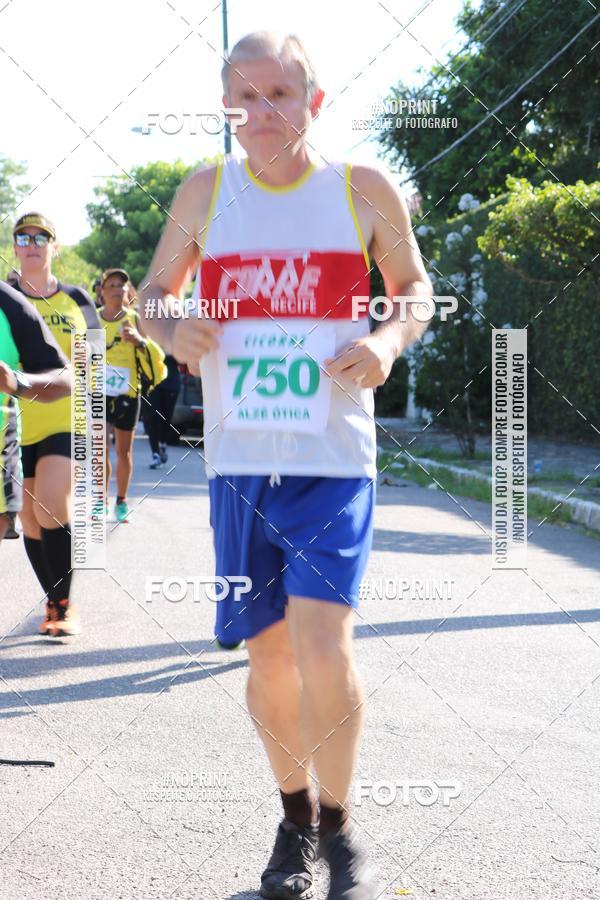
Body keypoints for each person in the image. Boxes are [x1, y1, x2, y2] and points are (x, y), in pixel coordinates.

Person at [141, 32, 431, 900]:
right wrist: (167, 326)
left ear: (315, 99)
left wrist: (387, 339)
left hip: (332, 458)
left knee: (321, 638)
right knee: (267, 661)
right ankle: (295, 814)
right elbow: (156, 292)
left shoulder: (360, 189)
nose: (261, 113)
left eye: (280, 94)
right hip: (240, 462)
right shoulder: (206, 191)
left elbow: (413, 285)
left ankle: (339, 833)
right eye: (244, 97)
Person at [11, 212, 101, 636]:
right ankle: (53, 599)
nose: (31, 243)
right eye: (23, 236)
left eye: (40, 236)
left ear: (54, 247)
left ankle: (64, 609)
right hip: (14, 422)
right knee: (29, 517)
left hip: (66, 417)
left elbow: (94, 364)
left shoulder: (78, 299)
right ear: (14, 247)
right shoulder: (6, 298)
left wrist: (96, 430)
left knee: (49, 503)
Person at [0, 280, 72, 547]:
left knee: (46, 509)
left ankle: (61, 591)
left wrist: (16, 382)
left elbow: (64, 378)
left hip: (46, 425)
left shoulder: (9, 303)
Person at [99, 267, 166, 522]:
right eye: (112, 285)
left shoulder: (135, 319)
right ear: (102, 291)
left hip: (127, 392)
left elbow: (155, 355)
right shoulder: (91, 319)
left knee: (123, 452)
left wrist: (139, 341)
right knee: (99, 449)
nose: (117, 289)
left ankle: (121, 500)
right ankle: (99, 501)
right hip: (98, 392)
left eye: (122, 285)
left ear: (128, 291)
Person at [146, 354, 181, 469]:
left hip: (170, 381)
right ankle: (155, 454)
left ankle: (163, 443)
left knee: (166, 418)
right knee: (152, 416)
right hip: (150, 380)